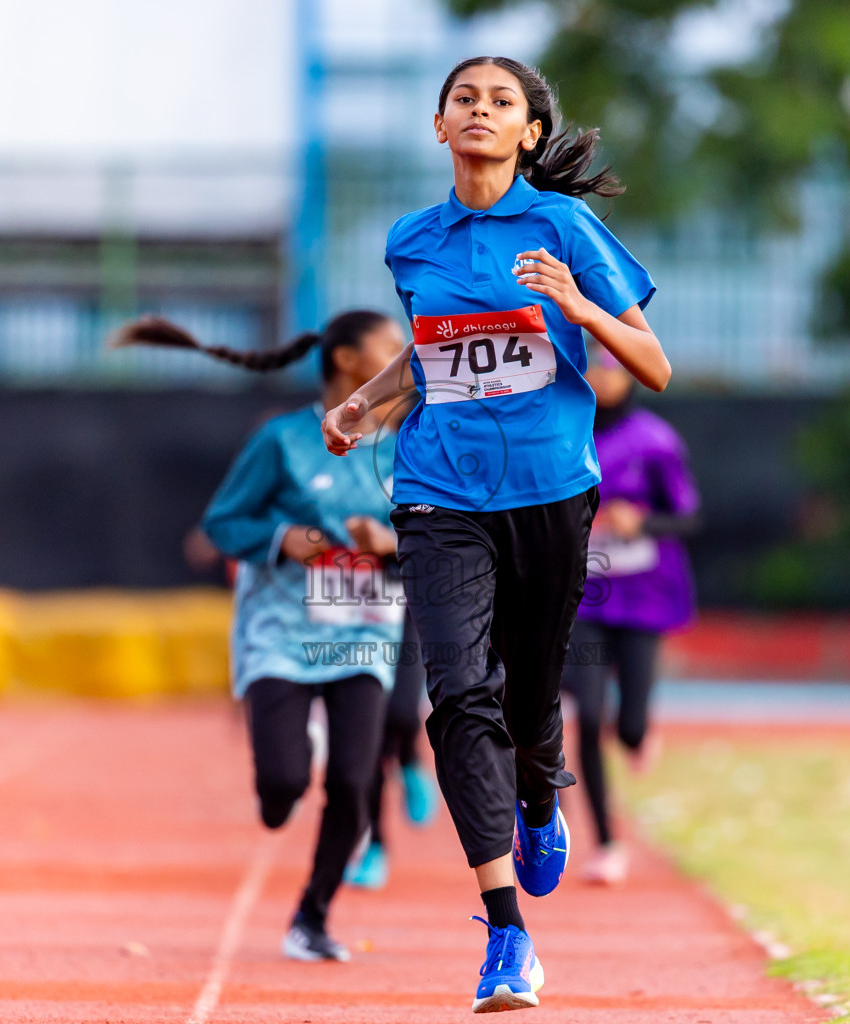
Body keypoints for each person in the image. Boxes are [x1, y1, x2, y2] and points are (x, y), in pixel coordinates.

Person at [321, 56, 671, 1013]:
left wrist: (577, 303)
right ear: (440, 126)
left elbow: (652, 364)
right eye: (463, 100)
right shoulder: (413, 242)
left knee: (527, 698)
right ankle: (507, 936)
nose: (479, 112)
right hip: (437, 492)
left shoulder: (563, 228)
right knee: (459, 696)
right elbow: (429, 359)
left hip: (551, 492)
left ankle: (540, 793)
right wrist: (365, 401)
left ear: (527, 132)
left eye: (500, 102)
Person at [122, 309, 407, 962]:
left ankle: (312, 916)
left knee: (357, 782)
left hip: (365, 632)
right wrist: (285, 539)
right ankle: (280, 785)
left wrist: (390, 541)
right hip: (282, 635)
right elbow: (222, 524)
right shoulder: (282, 442)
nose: (405, 357)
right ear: (346, 360)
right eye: (391, 346)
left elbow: (438, 533)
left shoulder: (404, 444)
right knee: (283, 786)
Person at [563, 344, 699, 887]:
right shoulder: (564, 435)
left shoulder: (656, 441)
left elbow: (688, 517)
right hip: (585, 594)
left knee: (630, 726)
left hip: (645, 593)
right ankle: (606, 842)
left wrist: (640, 521)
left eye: (610, 369)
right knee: (589, 715)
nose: (600, 376)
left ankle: (639, 733)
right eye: (590, 367)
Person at [344, 604, 441, 889]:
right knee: (371, 736)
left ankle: (409, 759)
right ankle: (374, 844)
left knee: (402, 712)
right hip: (352, 615)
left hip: (405, 607)